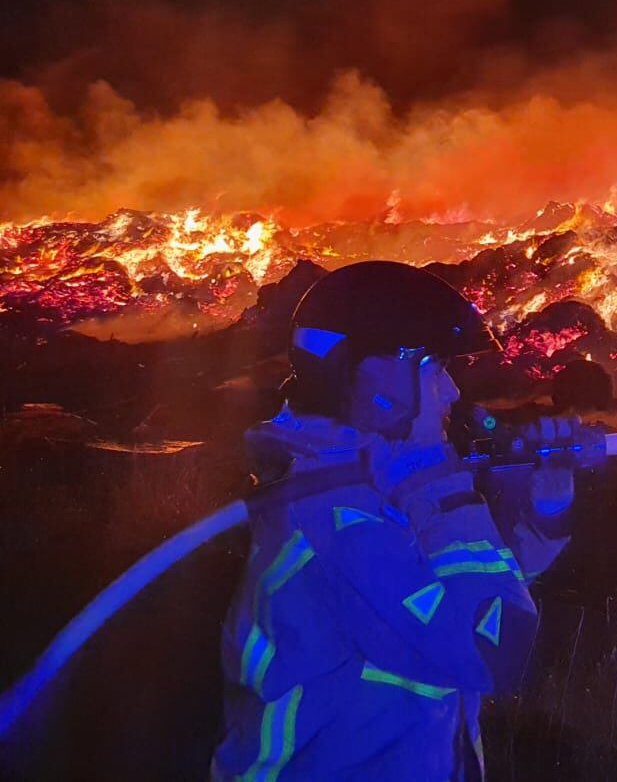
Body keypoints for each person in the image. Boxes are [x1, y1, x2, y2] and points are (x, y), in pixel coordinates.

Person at [212, 261, 576, 781]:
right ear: (377, 379)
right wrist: (444, 487)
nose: (451, 392)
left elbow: (464, 590)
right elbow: (494, 644)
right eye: (434, 368)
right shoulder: (338, 522)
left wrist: (544, 510)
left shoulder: (365, 491)